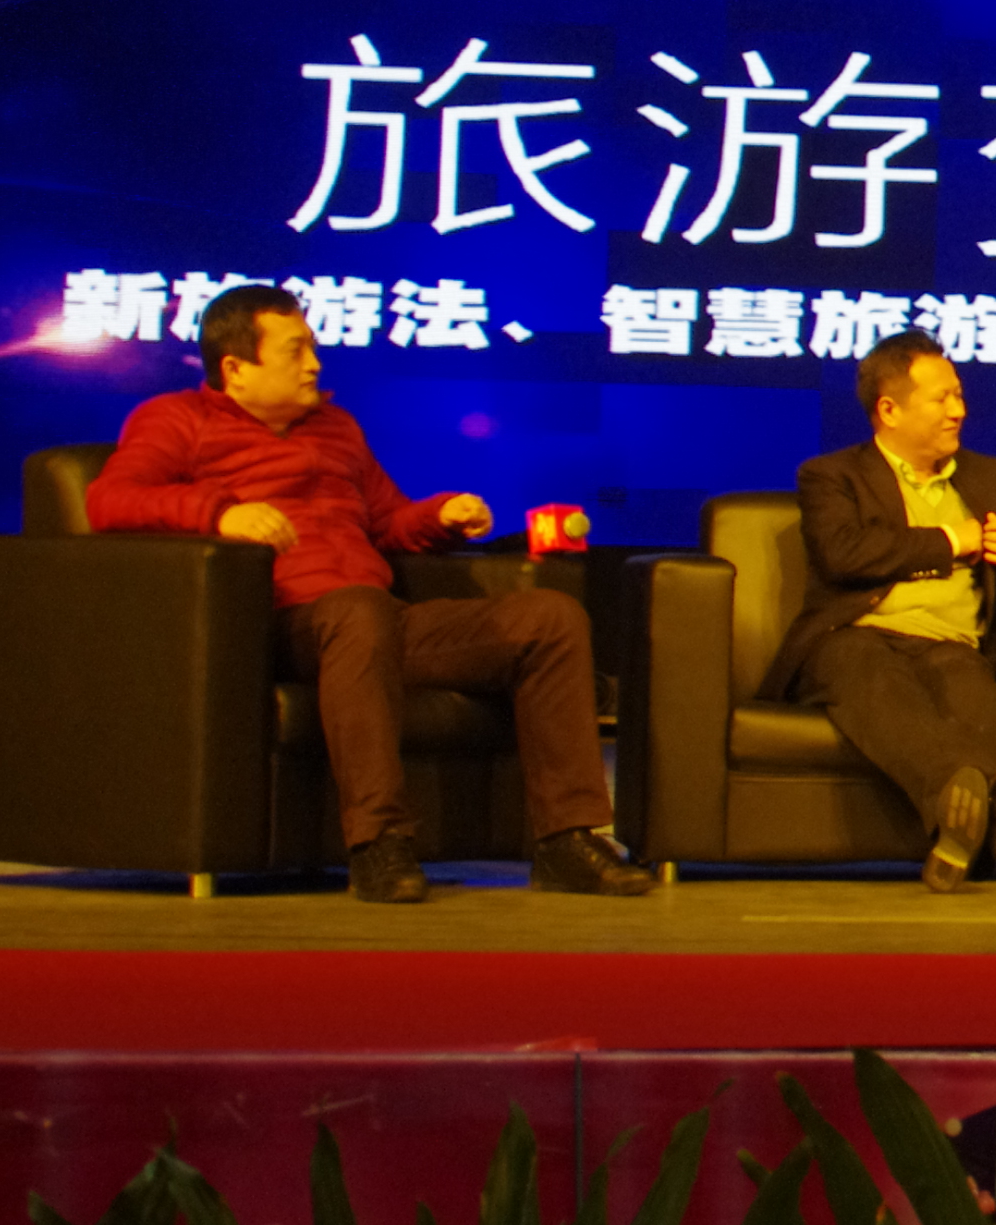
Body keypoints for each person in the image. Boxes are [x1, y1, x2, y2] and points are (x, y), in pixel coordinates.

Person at [84, 283, 649, 903]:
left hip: (375, 618)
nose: (314, 364)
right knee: (358, 611)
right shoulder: (177, 420)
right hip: (280, 625)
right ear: (236, 369)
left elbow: (386, 521)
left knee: (549, 617)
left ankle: (567, 838)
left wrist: (440, 516)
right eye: (296, 351)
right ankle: (379, 841)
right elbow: (111, 500)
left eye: (313, 347)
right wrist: (221, 513)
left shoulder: (336, 427)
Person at [765, 331, 996, 891]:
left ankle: (958, 834)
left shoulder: (987, 477)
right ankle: (990, 791)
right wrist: (951, 540)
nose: (958, 411)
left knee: (968, 687)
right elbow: (844, 554)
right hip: (856, 637)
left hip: (953, 644)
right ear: (889, 410)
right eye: (942, 399)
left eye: (959, 396)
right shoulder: (832, 476)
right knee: (874, 676)